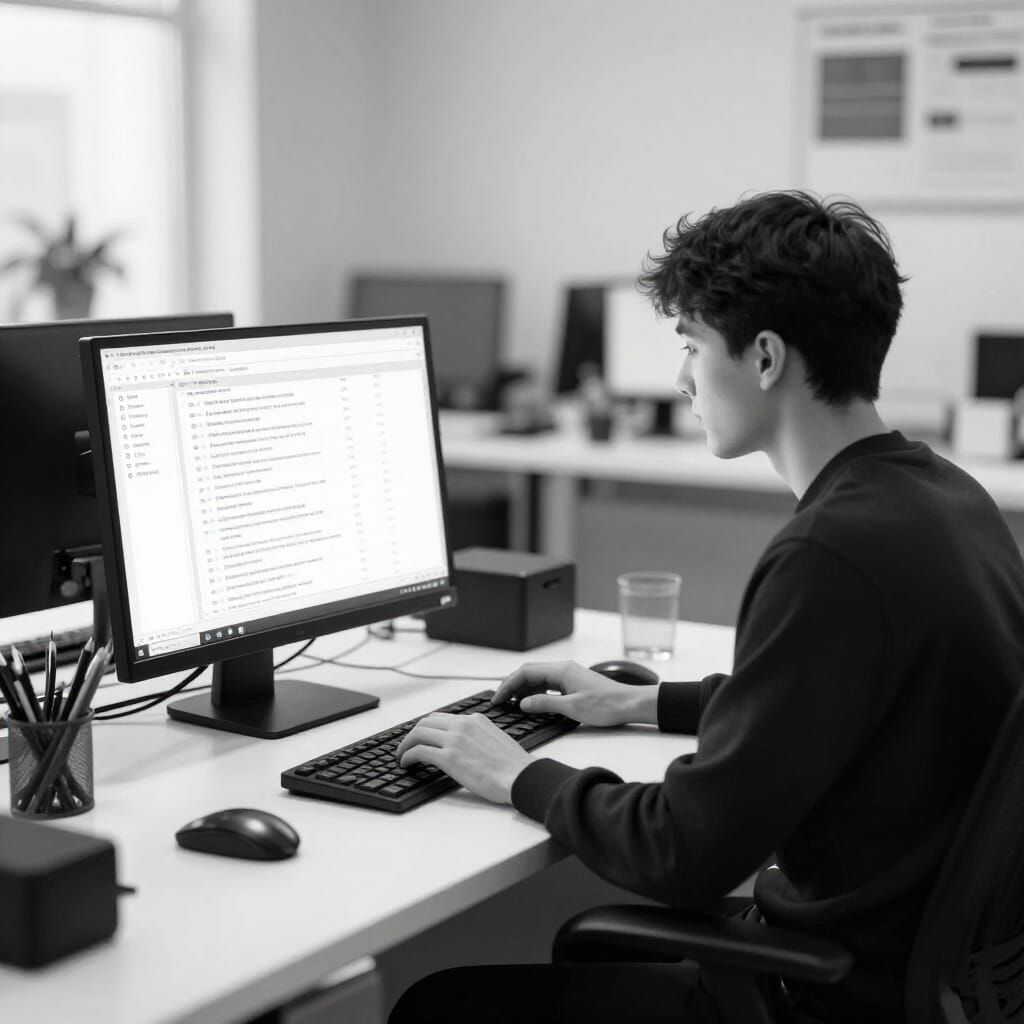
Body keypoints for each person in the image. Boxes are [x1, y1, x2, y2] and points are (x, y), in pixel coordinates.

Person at [389, 191, 1024, 1023]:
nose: (683, 379)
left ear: (764, 357)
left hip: (826, 994)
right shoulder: (944, 498)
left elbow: (681, 850)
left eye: (691, 346)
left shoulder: (827, 554)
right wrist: (645, 701)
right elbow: (842, 709)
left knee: (441, 1004)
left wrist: (518, 773)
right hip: (913, 967)